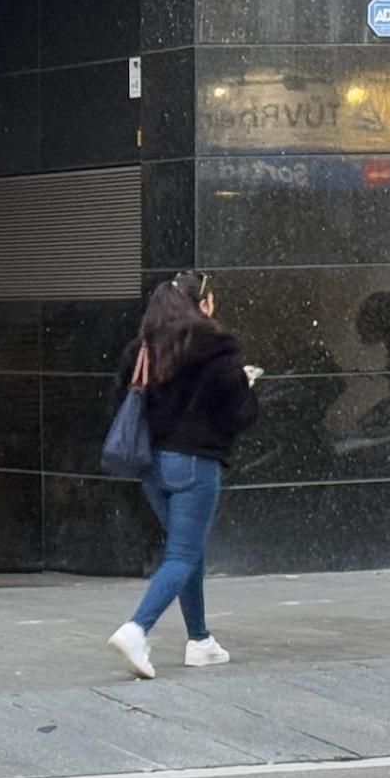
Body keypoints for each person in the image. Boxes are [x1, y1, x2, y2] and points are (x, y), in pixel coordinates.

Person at [107, 271, 260, 679]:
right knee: (181, 555)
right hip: (194, 464)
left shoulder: (142, 349)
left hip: (151, 467)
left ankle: (200, 640)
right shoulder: (216, 349)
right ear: (203, 305)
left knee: (188, 549)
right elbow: (239, 414)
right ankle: (136, 629)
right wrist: (246, 384)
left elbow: (120, 401)